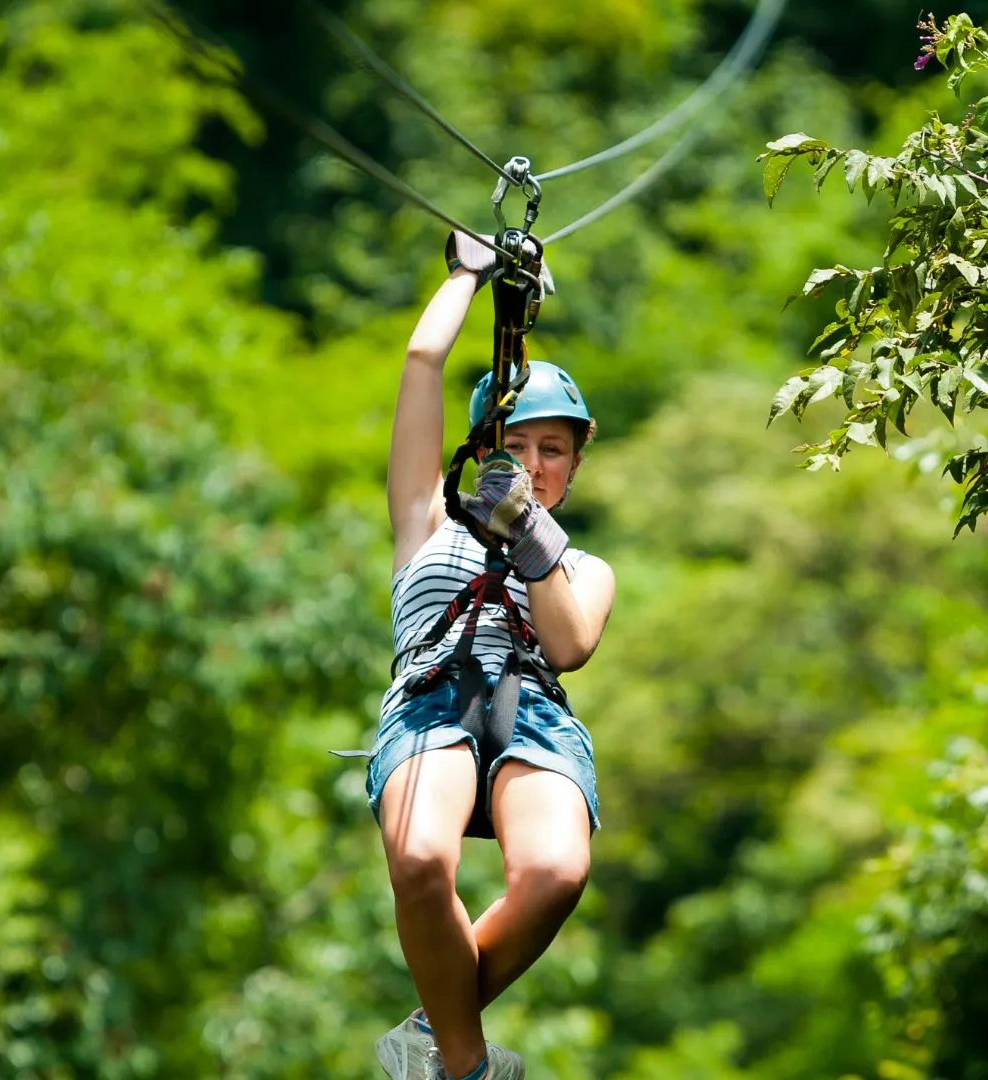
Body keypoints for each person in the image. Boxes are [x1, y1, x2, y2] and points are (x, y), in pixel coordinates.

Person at [368, 232, 616, 1080]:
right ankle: (466, 1065)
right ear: (482, 451)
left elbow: (571, 643)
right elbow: (420, 361)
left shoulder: (586, 566)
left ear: (575, 466)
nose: (537, 465)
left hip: (534, 711)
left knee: (554, 869)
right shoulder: (424, 522)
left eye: (556, 451)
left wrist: (529, 536)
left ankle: (432, 1030)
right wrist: (470, 278)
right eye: (521, 446)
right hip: (434, 698)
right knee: (422, 859)